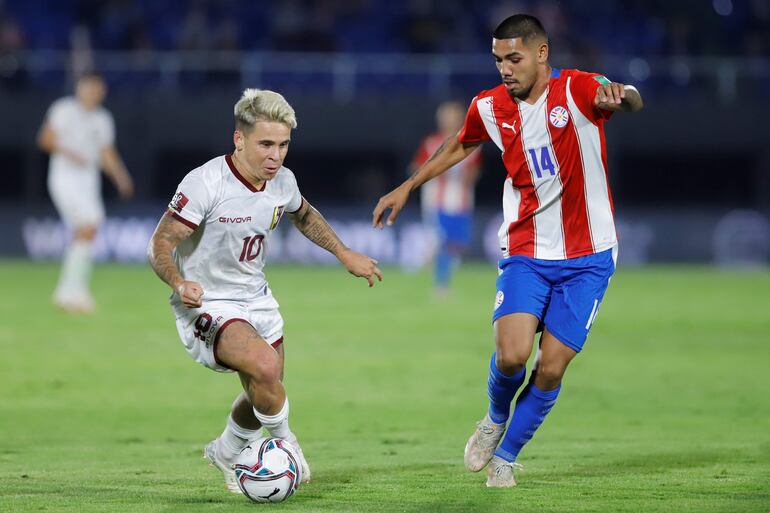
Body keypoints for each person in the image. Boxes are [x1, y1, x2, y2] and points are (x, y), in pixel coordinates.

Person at [372, 14, 642, 487]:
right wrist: (408, 186)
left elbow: (626, 97)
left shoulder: (579, 90)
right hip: (526, 249)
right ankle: (495, 418)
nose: (504, 68)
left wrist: (623, 97)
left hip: (589, 256)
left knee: (552, 365)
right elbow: (460, 145)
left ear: (542, 53)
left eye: (513, 58)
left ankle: (507, 456)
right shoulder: (490, 106)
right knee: (513, 355)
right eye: (498, 59)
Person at [147, 89, 382, 493]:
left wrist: (343, 253)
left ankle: (226, 450)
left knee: (267, 392)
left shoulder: (282, 182)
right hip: (207, 302)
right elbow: (161, 243)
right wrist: (178, 281)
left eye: (284, 145)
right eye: (266, 144)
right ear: (239, 140)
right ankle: (285, 445)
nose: (276, 155)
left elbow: (304, 215)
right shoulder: (206, 183)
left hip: (257, 297)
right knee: (267, 369)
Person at [37, 72, 134, 313]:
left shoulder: (102, 118)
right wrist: (70, 152)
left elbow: (106, 152)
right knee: (89, 226)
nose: (92, 92)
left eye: (97, 88)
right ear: (80, 88)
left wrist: (120, 176)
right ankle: (72, 291)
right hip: (64, 177)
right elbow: (45, 140)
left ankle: (69, 291)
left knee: (87, 231)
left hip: (88, 180)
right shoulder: (63, 109)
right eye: (88, 87)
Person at [411, 101, 482, 296]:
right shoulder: (431, 143)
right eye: (446, 117)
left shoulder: (471, 142)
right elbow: (416, 168)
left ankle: (429, 260)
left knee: (456, 244)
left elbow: (474, 173)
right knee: (442, 242)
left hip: (462, 202)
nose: (449, 121)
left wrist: (465, 175)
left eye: (453, 116)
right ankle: (441, 285)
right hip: (437, 201)